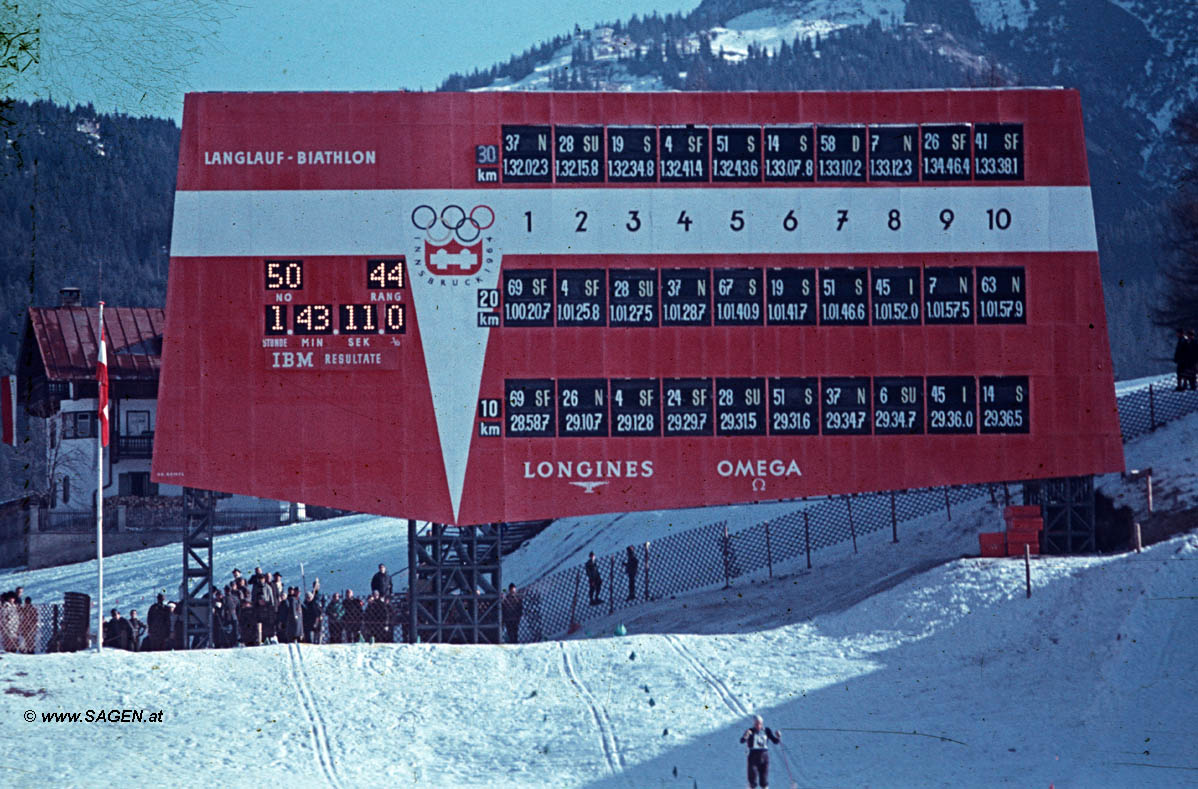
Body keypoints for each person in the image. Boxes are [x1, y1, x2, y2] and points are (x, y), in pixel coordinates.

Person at [740, 715, 782, 789]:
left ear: (762, 723)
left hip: (764, 757)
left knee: (764, 780)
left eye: (759, 723)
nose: (758, 725)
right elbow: (742, 741)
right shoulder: (750, 731)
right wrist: (746, 736)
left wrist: (778, 737)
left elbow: (775, 741)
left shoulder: (766, 730)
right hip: (753, 757)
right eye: (756, 723)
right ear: (754, 723)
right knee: (752, 779)